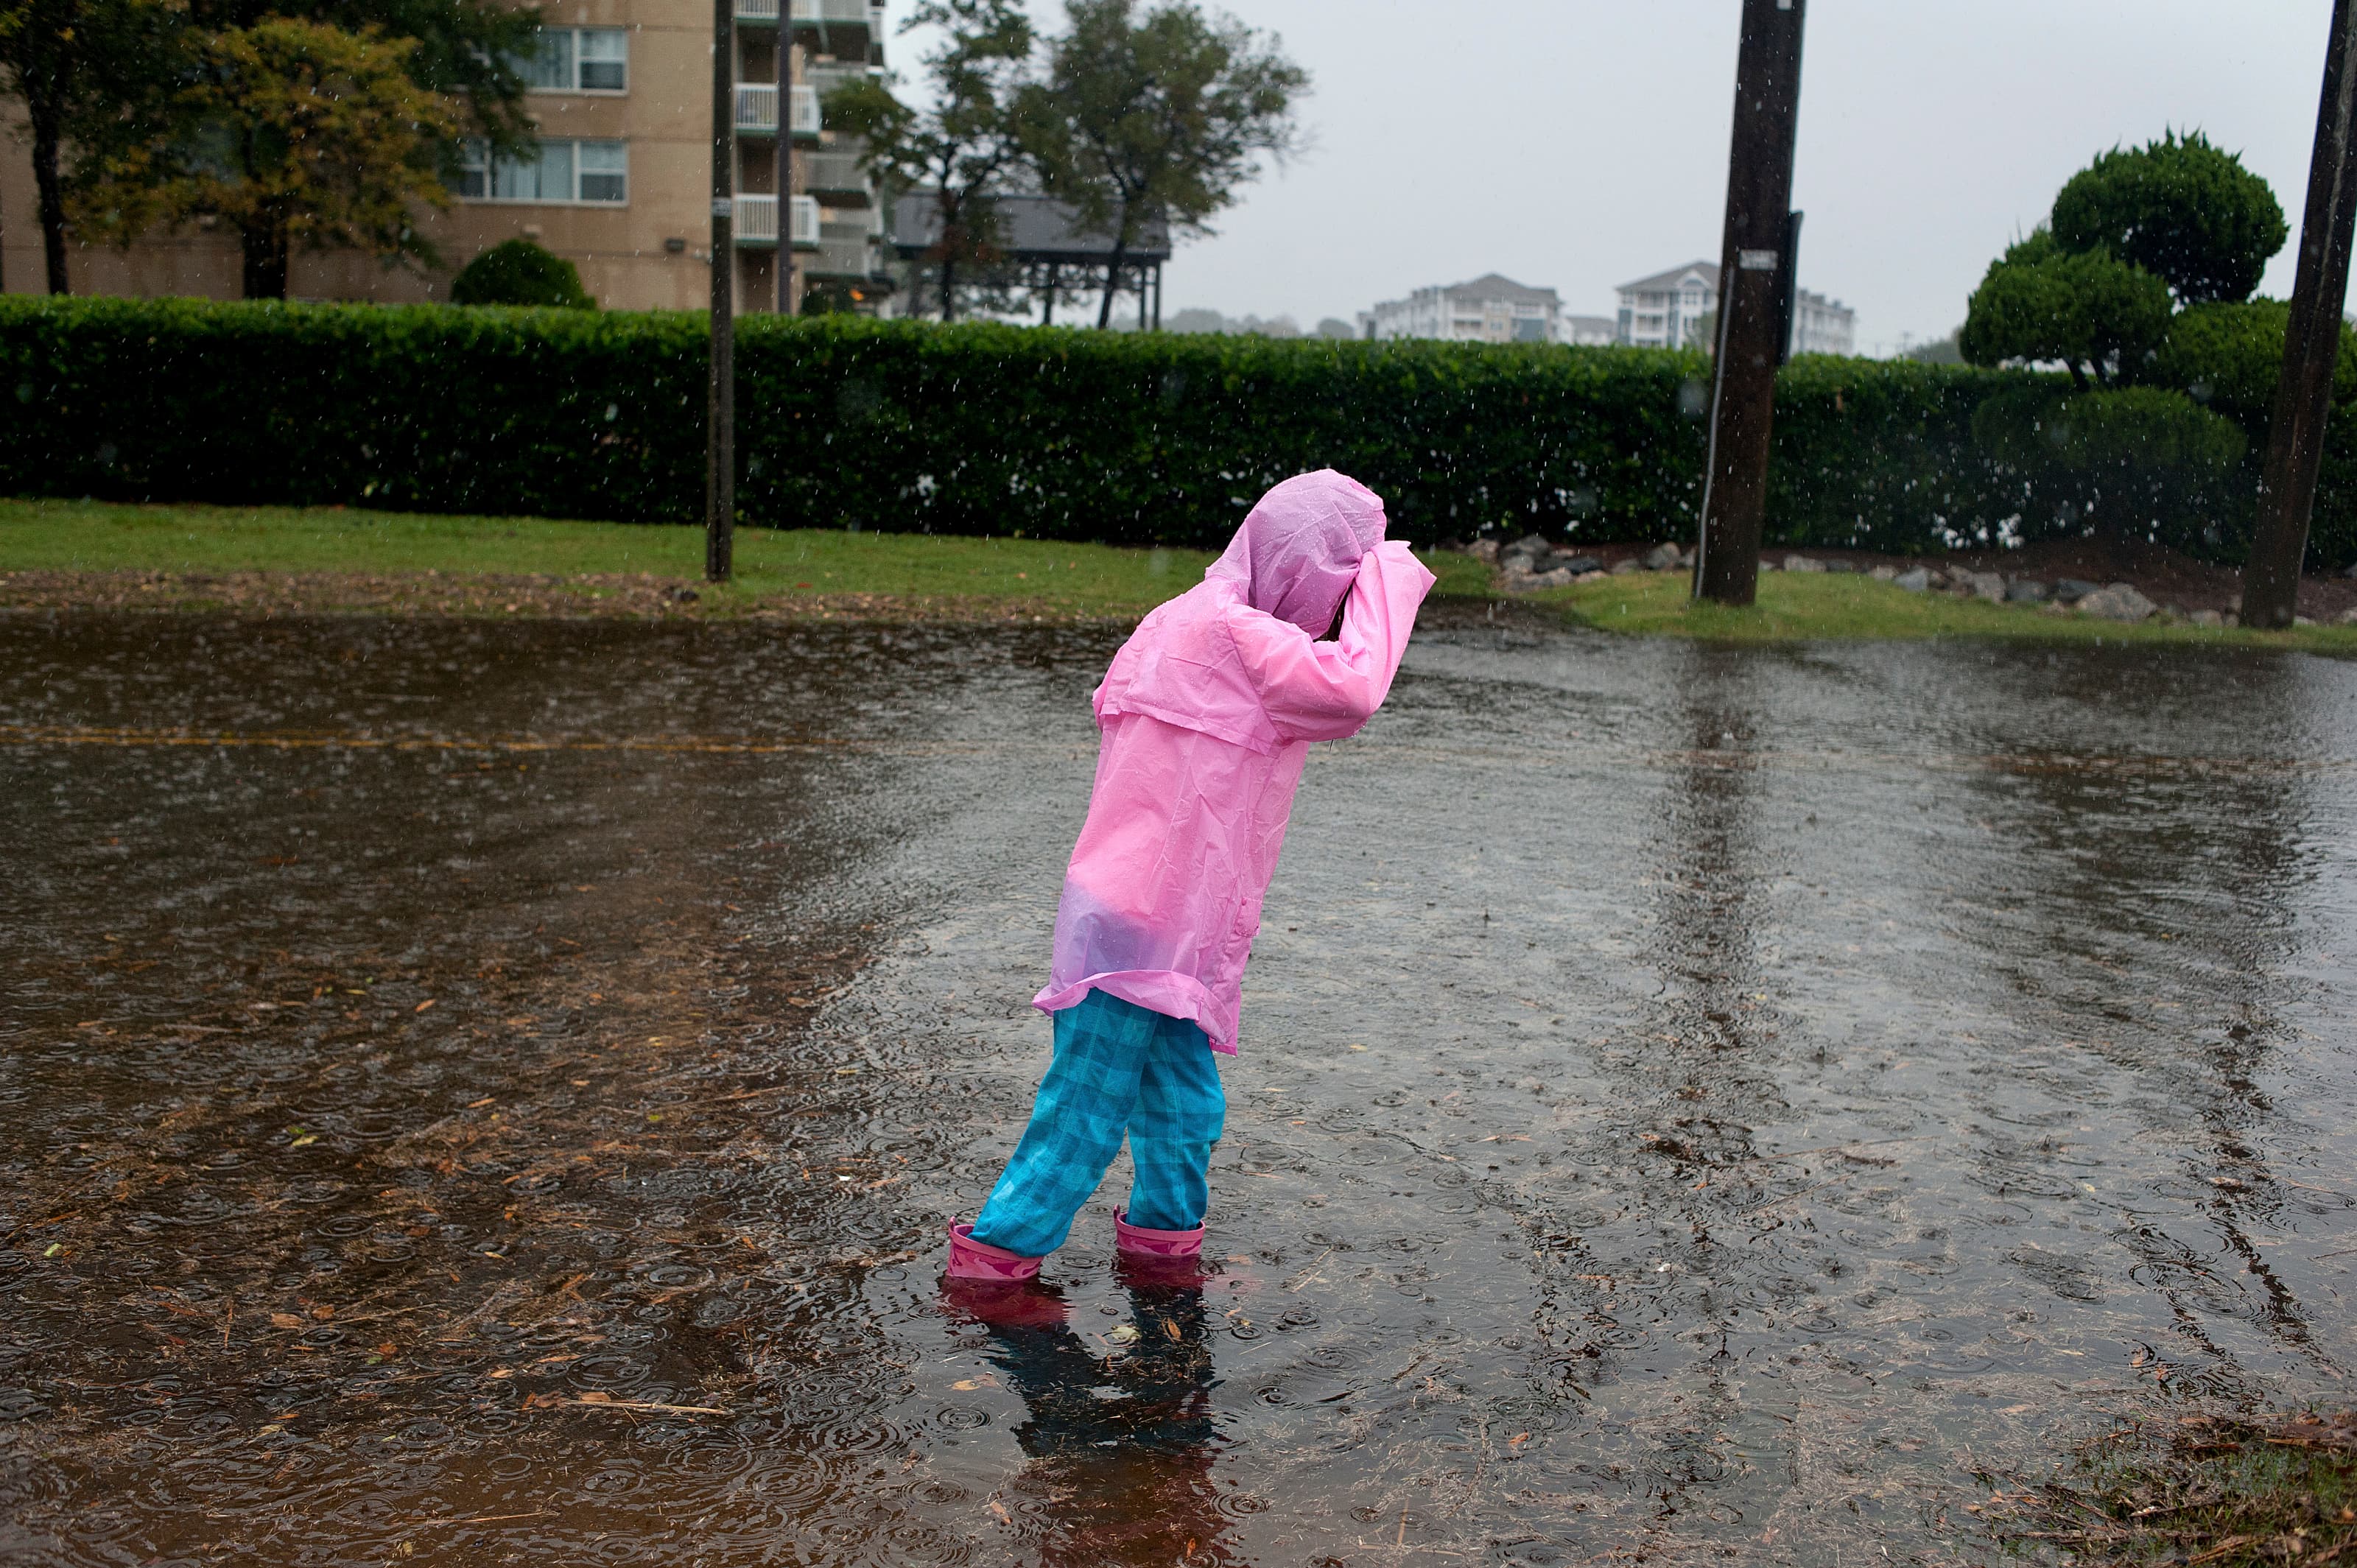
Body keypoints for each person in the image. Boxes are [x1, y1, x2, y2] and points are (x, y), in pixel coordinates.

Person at [946, 468, 1435, 1284]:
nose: (1338, 598)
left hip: (1145, 914)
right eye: (1343, 577)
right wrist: (1390, 571)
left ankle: (1162, 1251)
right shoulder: (1243, 639)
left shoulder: (1177, 618)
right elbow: (1352, 690)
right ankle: (993, 1268)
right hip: (1148, 917)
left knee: (1182, 1108)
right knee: (1085, 1109)